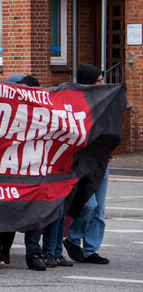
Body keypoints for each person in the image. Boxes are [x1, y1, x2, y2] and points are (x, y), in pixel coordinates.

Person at [64, 64, 110, 265]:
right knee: (87, 204)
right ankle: (73, 239)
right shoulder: (76, 103)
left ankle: (91, 249)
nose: (103, 83)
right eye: (99, 80)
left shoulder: (107, 102)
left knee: (99, 208)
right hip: (82, 161)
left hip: (102, 160)